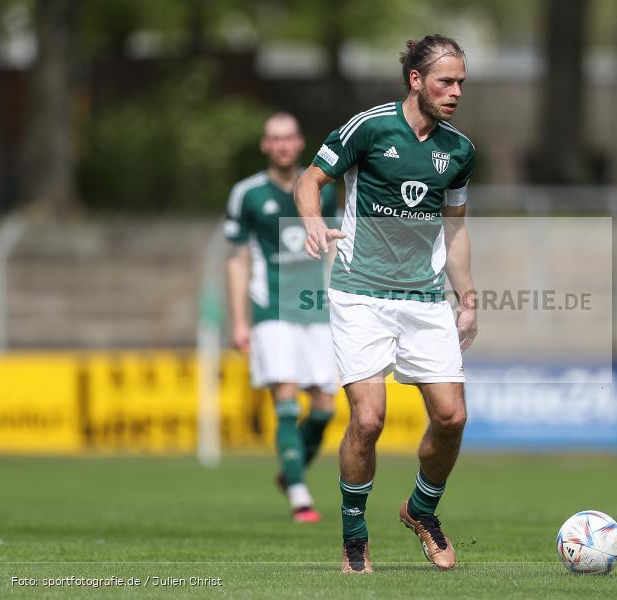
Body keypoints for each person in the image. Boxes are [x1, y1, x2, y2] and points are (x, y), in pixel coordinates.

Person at [295, 34, 477, 573]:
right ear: (416, 80)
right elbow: (310, 180)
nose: (456, 92)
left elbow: (456, 229)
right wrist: (313, 223)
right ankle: (354, 538)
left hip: (424, 298)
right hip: (360, 293)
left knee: (452, 416)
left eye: (461, 83)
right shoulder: (370, 128)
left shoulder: (460, 151)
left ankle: (421, 510)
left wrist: (467, 297)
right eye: (445, 81)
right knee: (369, 419)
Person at [225, 112, 340, 523]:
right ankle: (299, 495)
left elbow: (332, 247)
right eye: (274, 138)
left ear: (299, 141)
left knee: (325, 406)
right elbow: (238, 259)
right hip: (271, 309)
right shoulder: (248, 194)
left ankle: (291, 469)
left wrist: (340, 302)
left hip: (315, 308)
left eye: (288, 137)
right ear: (265, 145)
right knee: (287, 399)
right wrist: (240, 321)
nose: (282, 145)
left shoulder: (324, 189)